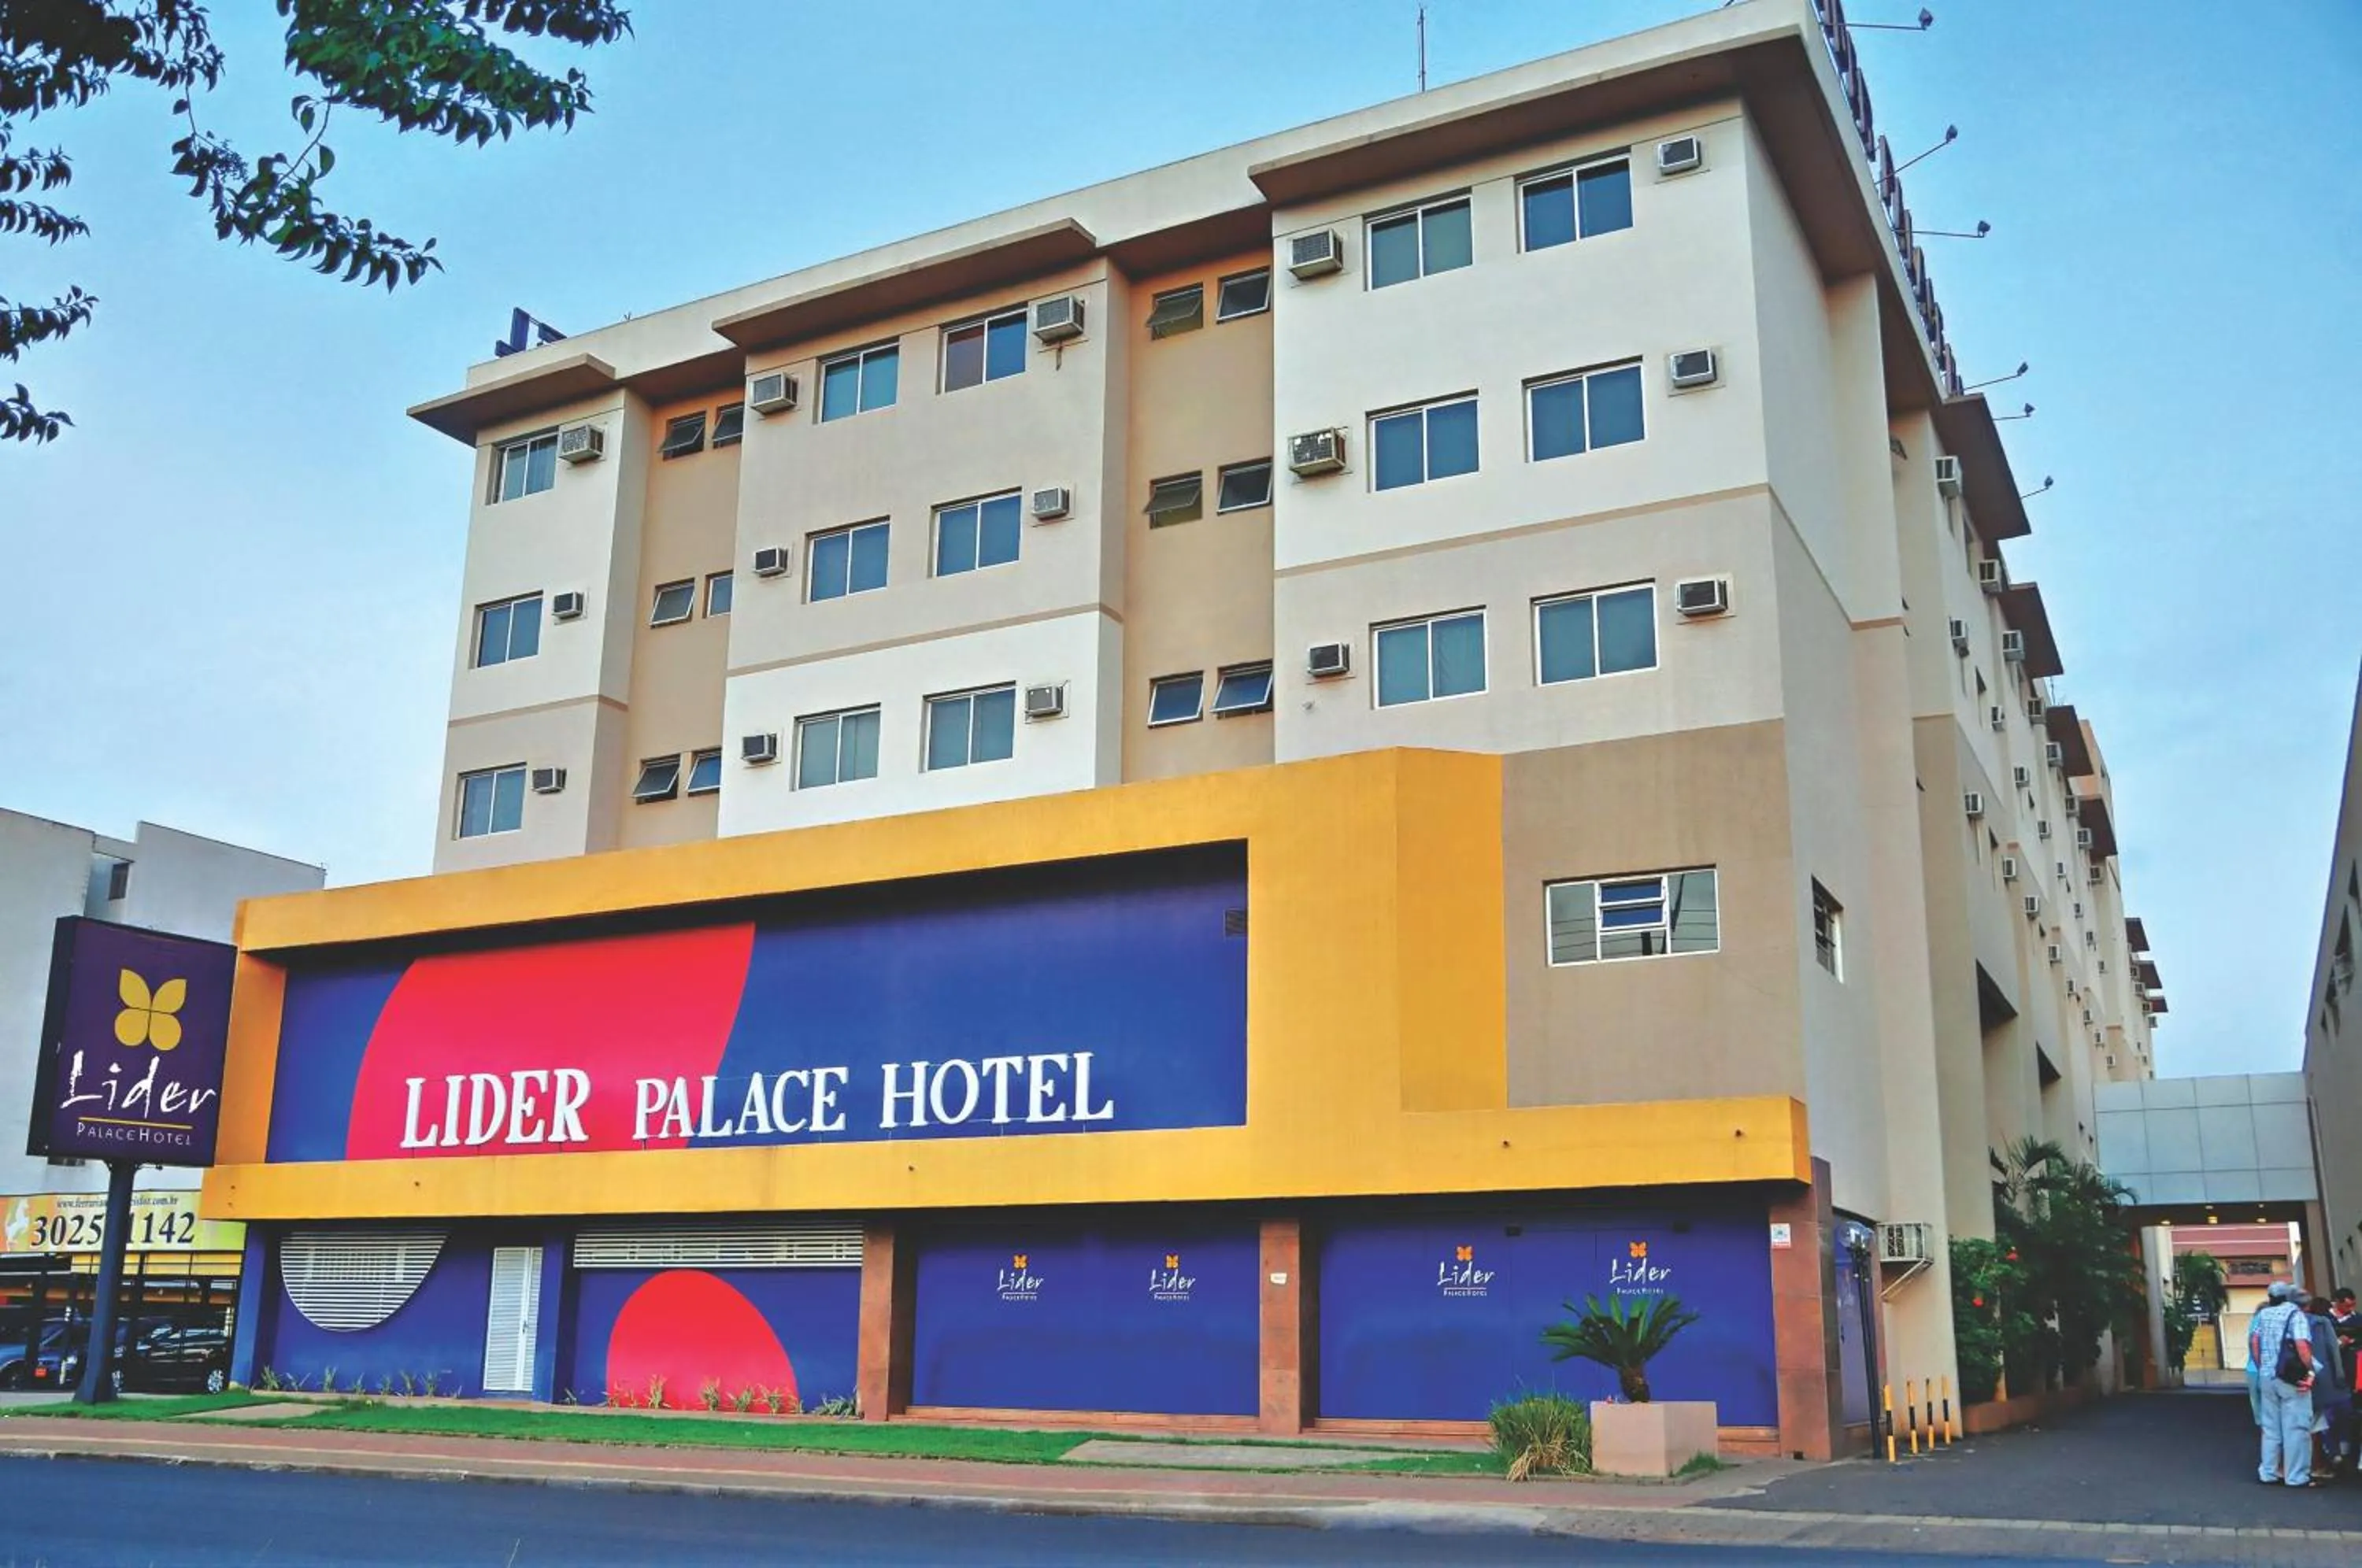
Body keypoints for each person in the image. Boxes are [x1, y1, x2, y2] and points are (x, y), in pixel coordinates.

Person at [2252, 1281, 2316, 1487]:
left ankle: (2268, 1472)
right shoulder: (2295, 1315)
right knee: (2296, 1427)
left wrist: (2262, 1366)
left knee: (2270, 1428)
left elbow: (2255, 1342)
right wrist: (2310, 1371)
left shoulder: (2263, 1315)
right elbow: (2301, 1345)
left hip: (2267, 1377)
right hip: (2290, 1378)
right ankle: (2296, 1476)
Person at [2311, 1294, 2353, 1479]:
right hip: (2331, 1379)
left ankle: (2329, 1454)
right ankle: (2340, 1452)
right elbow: (2333, 1351)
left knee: (2321, 1421)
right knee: (2338, 1416)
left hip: (2313, 1380)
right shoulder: (2324, 1324)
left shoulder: (2302, 1324)